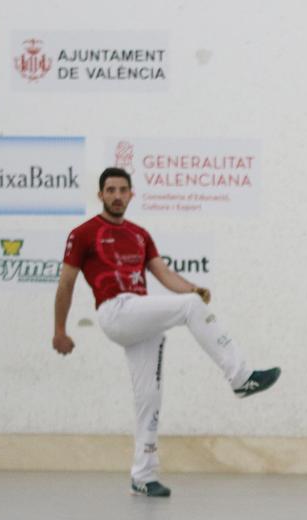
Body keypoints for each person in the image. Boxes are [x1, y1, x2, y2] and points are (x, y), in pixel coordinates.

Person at [53, 167, 280, 497]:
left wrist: (192, 288)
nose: (117, 195)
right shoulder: (83, 233)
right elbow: (66, 284)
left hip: (141, 319)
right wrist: (59, 330)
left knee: (149, 397)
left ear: (132, 195)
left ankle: (143, 476)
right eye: (110, 190)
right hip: (115, 312)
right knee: (188, 307)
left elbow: (162, 273)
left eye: (123, 190)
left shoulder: (140, 234)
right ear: (100, 195)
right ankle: (240, 376)